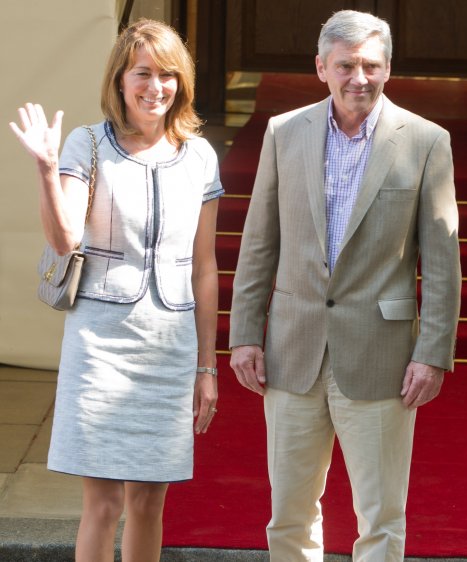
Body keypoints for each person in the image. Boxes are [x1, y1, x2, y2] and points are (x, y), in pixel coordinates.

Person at [228, 9, 461, 561]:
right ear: (321, 68)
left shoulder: (426, 141)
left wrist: (433, 353)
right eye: (346, 65)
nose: (360, 77)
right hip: (293, 349)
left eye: (371, 65)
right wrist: (244, 334)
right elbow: (260, 241)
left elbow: (443, 261)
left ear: (388, 69)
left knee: (380, 518)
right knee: (288, 514)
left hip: (380, 356)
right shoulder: (285, 132)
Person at [7, 19, 221, 561]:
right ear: (120, 81)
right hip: (100, 344)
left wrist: (206, 366)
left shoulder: (199, 156)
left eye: (168, 74)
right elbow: (64, 239)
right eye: (143, 73)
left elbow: (204, 267)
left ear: (183, 82)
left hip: (169, 348)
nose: (156, 86)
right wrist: (47, 169)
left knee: (150, 504)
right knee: (102, 505)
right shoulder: (88, 142)